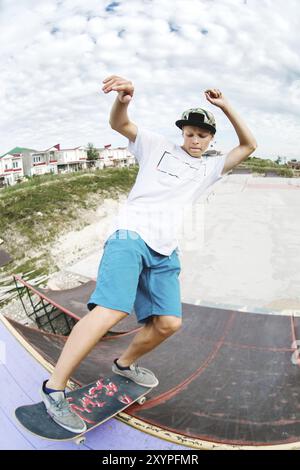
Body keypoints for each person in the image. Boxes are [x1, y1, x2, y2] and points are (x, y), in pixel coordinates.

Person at [40, 75, 257, 433]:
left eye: (203, 135)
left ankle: (124, 365)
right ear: (182, 133)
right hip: (130, 236)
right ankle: (54, 388)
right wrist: (124, 99)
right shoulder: (156, 146)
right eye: (190, 133)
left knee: (169, 323)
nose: (195, 140)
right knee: (112, 309)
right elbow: (119, 123)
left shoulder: (210, 167)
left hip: (165, 250)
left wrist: (226, 106)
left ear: (211, 139)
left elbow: (249, 145)